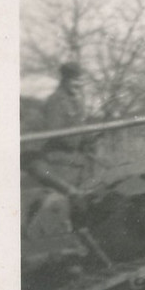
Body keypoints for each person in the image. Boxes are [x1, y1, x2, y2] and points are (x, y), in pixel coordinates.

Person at [23, 61, 94, 238]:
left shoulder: (76, 99)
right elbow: (57, 131)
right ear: (67, 80)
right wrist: (78, 138)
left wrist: (89, 137)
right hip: (60, 156)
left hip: (76, 154)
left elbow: (80, 125)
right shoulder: (56, 101)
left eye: (82, 82)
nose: (80, 85)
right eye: (77, 81)